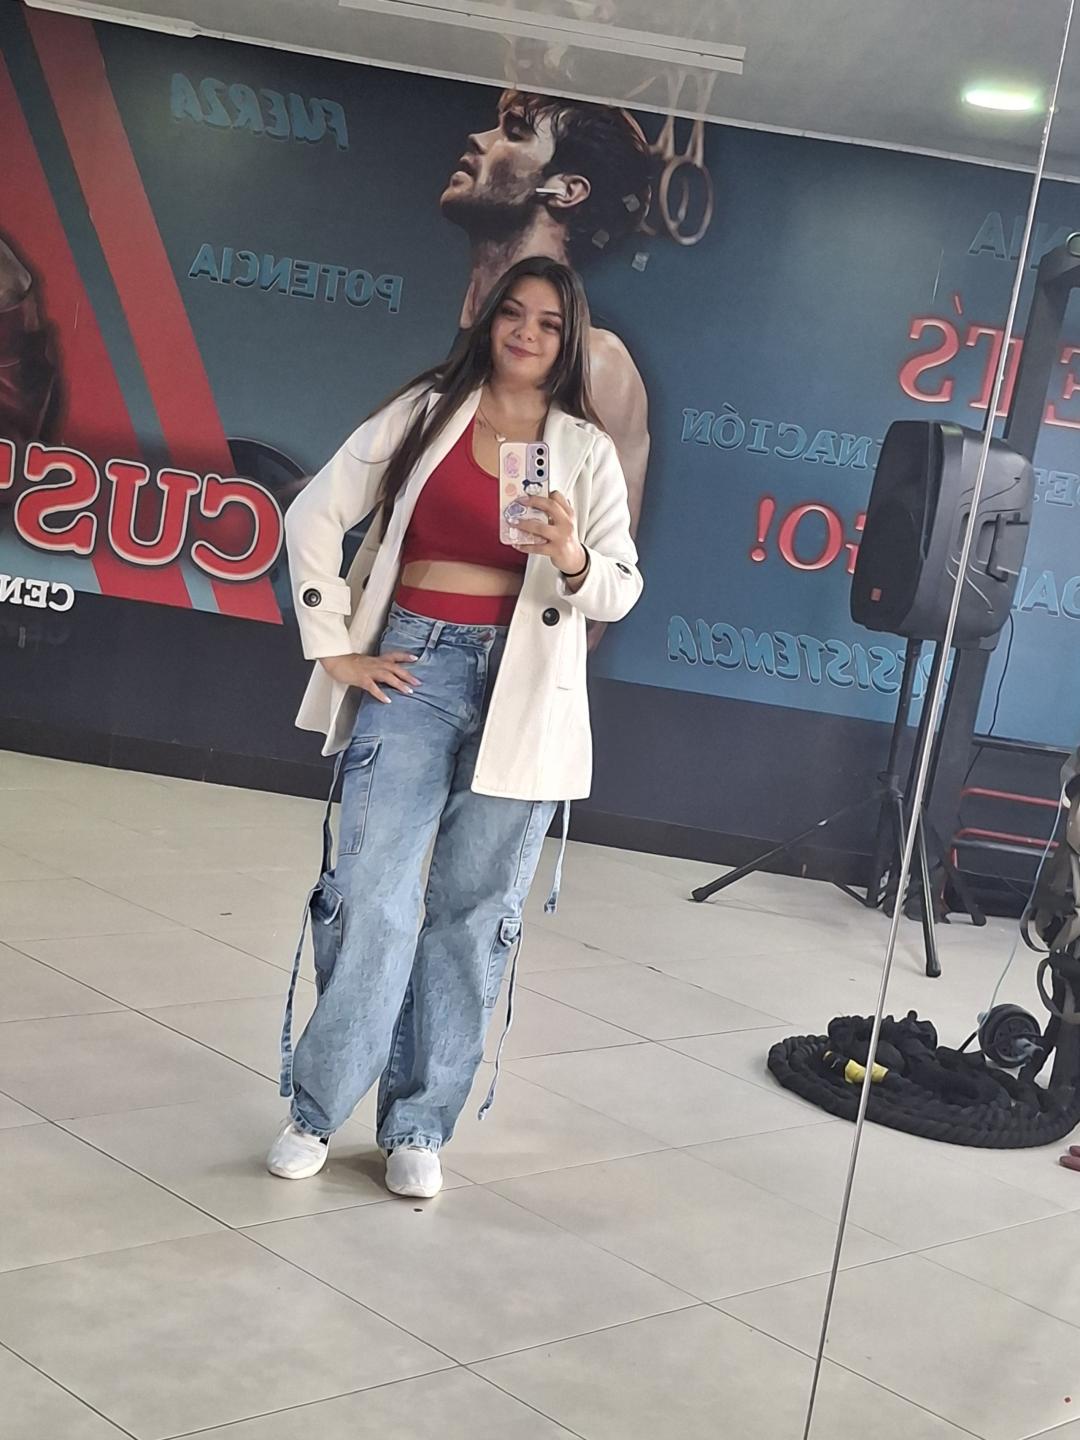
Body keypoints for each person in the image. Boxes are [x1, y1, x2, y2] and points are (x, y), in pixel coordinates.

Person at [268, 256, 642, 1198]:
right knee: (373, 896)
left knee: (474, 917)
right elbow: (314, 512)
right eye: (513, 313)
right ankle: (316, 1112)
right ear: (488, 321)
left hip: (526, 686)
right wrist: (333, 645)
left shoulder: (585, 450)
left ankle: (418, 1126)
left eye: (548, 322)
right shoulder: (428, 412)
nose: (526, 333)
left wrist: (571, 552)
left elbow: (619, 588)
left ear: (569, 339)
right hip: (416, 662)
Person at [441, 90, 652, 539]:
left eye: (514, 132)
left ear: (567, 190)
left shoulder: (597, 363)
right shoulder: (471, 324)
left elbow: (608, 555)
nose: (479, 139)